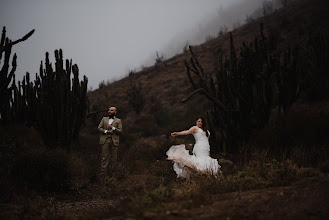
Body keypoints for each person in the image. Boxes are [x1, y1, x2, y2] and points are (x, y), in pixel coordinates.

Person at [98, 106, 122, 180]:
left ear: (115, 112)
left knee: (114, 158)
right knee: (104, 157)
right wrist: (106, 131)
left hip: (114, 141)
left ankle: (112, 175)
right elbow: (99, 128)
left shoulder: (118, 120)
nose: (109, 111)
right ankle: (103, 175)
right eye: (109, 110)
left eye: (111, 110)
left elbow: (120, 131)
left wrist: (113, 128)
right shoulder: (104, 119)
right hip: (105, 140)